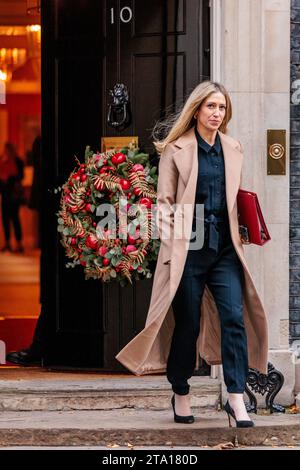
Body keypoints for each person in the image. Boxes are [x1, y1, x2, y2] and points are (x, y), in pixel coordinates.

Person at [115, 81, 269, 427]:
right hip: (190, 248)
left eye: (222, 108)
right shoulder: (176, 149)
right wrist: (171, 251)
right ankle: (181, 392)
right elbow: (165, 204)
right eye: (211, 107)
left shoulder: (233, 147)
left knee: (234, 318)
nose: (217, 114)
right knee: (188, 324)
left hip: (225, 249)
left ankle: (235, 396)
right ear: (197, 110)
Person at [0, 142, 25, 253]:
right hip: (5, 193)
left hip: (14, 194)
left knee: (15, 218)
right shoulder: (2, 160)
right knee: (5, 219)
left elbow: (21, 176)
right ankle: (7, 242)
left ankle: (19, 243)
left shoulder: (18, 161)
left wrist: (11, 176)